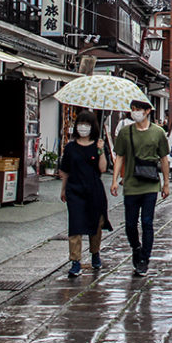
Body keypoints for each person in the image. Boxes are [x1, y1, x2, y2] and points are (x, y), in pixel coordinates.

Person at [111, 100, 170, 277]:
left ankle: (144, 259)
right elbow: (119, 157)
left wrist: (166, 183)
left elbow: (164, 159)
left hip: (150, 183)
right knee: (130, 224)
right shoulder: (125, 132)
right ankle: (136, 247)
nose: (135, 113)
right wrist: (114, 180)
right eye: (133, 110)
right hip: (130, 183)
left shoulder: (158, 132)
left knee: (147, 222)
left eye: (138, 110)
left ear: (147, 111)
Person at [59, 110, 112, 278]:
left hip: (94, 190)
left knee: (95, 225)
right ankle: (75, 261)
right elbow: (65, 170)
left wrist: (101, 150)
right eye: (81, 124)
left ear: (92, 127)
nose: (83, 127)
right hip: (75, 190)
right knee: (75, 225)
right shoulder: (70, 147)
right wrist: (63, 189)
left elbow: (103, 169)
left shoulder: (97, 145)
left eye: (87, 124)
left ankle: (95, 253)